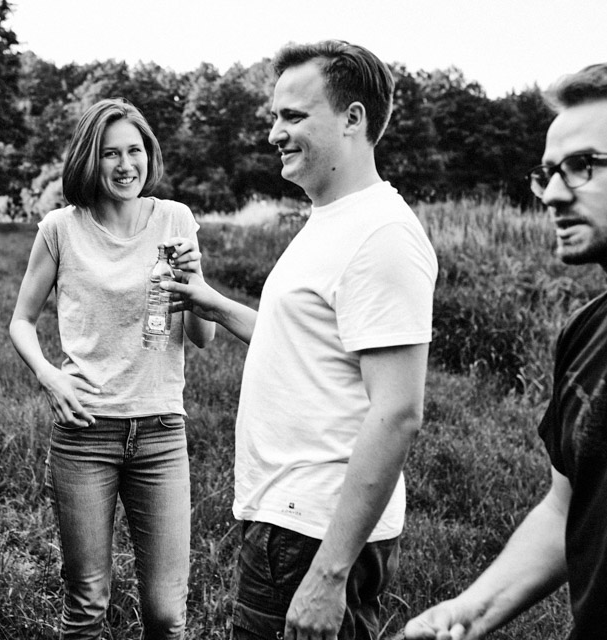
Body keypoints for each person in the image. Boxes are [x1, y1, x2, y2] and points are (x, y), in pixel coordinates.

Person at [163, 41, 438, 640]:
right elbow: (305, 343)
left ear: (353, 118)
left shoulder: (382, 235)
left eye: (293, 116)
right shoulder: (332, 219)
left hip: (313, 531)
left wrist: (329, 573)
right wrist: (216, 305)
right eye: (274, 116)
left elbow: (398, 412)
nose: (274, 134)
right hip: (289, 522)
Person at [403, 62, 607, 640]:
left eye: (584, 165)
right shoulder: (584, 332)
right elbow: (566, 507)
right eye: (548, 173)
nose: (555, 194)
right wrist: (469, 611)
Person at [8, 97, 215, 639]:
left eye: (135, 150)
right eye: (110, 153)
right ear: (89, 159)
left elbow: (203, 337)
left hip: (160, 432)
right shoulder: (60, 228)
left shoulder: (175, 220)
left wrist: (196, 284)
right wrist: (49, 374)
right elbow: (21, 320)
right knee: (87, 605)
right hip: (84, 433)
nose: (126, 165)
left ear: (149, 153)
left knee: (167, 614)